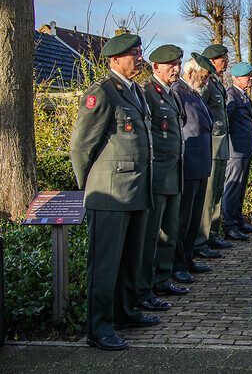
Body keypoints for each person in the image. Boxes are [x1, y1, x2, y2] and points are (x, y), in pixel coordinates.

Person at [70, 33, 160, 351]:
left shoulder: (134, 91)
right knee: (105, 263)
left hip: (135, 189)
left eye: (139, 51)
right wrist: (91, 185)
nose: (139, 57)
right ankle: (98, 328)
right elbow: (82, 145)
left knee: (128, 260)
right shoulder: (103, 92)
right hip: (110, 192)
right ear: (114, 59)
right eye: (132, 53)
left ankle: (124, 313)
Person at [137, 44, 189, 310]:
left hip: (173, 174)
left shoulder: (172, 94)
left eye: (179, 65)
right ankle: (145, 288)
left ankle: (163, 278)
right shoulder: (147, 93)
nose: (177, 70)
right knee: (151, 236)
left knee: (170, 230)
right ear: (155, 67)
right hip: (157, 175)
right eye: (171, 65)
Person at [171, 53, 216, 284]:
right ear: (191, 73)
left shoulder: (194, 93)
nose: (206, 81)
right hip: (188, 164)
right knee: (183, 218)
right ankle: (177, 264)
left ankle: (187, 259)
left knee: (193, 218)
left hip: (200, 164)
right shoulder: (179, 92)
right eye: (204, 76)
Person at [195, 43, 235, 255]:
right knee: (208, 194)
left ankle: (213, 234)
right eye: (223, 59)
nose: (226, 62)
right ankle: (201, 240)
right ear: (212, 61)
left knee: (217, 191)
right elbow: (198, 113)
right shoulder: (206, 84)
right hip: (210, 144)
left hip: (220, 144)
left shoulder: (216, 83)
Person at [221, 62, 252, 239]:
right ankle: (229, 224)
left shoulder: (242, 95)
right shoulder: (231, 95)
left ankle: (237, 220)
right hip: (235, 150)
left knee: (241, 187)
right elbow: (226, 121)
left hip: (244, 149)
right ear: (236, 78)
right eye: (246, 77)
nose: (250, 79)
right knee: (233, 187)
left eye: (250, 76)